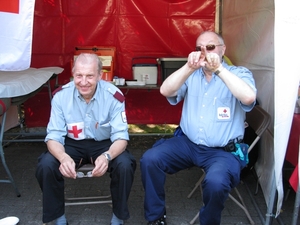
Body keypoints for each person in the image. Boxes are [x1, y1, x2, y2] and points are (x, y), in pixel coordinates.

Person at [140, 31, 257, 225]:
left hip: (223, 151)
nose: (204, 51)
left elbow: (248, 97)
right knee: (150, 159)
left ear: (223, 49)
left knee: (216, 183)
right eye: (199, 48)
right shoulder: (192, 74)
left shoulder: (238, 73)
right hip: (189, 144)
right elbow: (165, 90)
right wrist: (187, 67)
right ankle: (156, 217)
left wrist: (219, 69)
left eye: (210, 47)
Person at [36, 53, 136, 225]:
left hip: (104, 145)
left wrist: (107, 156)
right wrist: (63, 157)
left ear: (99, 75)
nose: (83, 81)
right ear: (73, 74)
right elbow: (53, 136)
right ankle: (59, 218)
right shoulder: (61, 96)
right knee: (46, 165)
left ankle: (118, 217)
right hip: (71, 144)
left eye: (89, 76)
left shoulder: (114, 96)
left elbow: (121, 137)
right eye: (79, 75)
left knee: (125, 164)